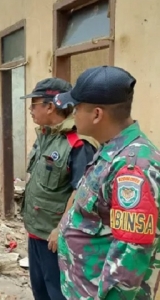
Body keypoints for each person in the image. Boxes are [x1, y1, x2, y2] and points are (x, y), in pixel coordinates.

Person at [56, 66, 160, 299]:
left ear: (96, 114)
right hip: (82, 288)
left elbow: (129, 261)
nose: (73, 115)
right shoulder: (110, 150)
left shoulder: (132, 169)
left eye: (77, 108)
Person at [20, 78, 98, 300]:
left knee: (58, 293)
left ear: (50, 106)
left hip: (55, 238)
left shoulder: (77, 144)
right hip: (36, 232)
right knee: (40, 290)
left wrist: (60, 229)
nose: (30, 110)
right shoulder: (46, 136)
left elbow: (81, 191)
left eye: (34, 105)